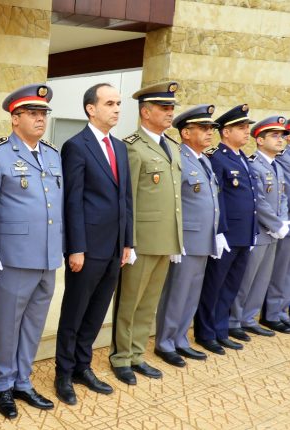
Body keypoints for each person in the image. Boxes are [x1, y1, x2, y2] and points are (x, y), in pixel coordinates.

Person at [0, 83, 61, 418]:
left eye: (43, 113)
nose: (40, 119)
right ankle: (4, 384)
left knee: (34, 324)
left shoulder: (53, 155)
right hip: (12, 258)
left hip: (47, 257)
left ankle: (23, 381)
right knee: (9, 324)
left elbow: (56, 206)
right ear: (15, 118)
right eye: (32, 113)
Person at [55, 83, 132, 405]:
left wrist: (127, 242)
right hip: (87, 248)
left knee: (97, 312)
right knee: (74, 313)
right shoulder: (76, 146)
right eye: (110, 103)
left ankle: (82, 367)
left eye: (118, 103)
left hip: (114, 247)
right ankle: (63, 373)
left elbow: (126, 198)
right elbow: (72, 201)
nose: (117, 109)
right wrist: (75, 248)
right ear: (91, 108)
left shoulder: (120, 147)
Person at [110, 81, 182, 385]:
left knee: (148, 303)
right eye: (164, 108)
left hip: (165, 240)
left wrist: (177, 240)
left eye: (171, 108)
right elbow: (128, 200)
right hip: (141, 241)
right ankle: (121, 357)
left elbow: (175, 199)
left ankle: (137, 355)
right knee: (129, 302)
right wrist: (130, 241)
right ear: (145, 112)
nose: (169, 113)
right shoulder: (132, 147)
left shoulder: (172, 147)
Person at [154, 105, 224, 368]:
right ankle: (165, 342)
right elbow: (171, 203)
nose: (209, 133)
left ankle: (181, 338)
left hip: (203, 239)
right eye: (203, 128)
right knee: (177, 292)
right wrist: (174, 238)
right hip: (185, 239)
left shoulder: (204, 159)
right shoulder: (178, 158)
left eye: (211, 129)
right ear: (185, 133)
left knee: (192, 292)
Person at [195, 104, 259, 354]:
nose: (246, 132)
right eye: (241, 127)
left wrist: (253, 231)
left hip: (244, 234)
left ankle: (221, 330)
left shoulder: (243, 157)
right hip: (227, 234)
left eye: (246, 127)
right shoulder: (217, 158)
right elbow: (218, 198)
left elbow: (251, 198)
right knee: (214, 285)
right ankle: (206, 333)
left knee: (231, 286)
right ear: (226, 132)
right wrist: (219, 231)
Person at [229, 117, 290, 336]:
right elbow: (259, 201)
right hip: (259, 230)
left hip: (274, 231)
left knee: (262, 278)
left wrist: (283, 221)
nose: (280, 140)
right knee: (247, 278)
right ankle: (234, 320)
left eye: (281, 136)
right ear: (260, 140)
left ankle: (249, 317)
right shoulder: (254, 164)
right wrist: (275, 223)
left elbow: (282, 197)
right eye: (274, 136)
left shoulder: (276, 166)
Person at [265, 124, 290, 330]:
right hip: (285, 222)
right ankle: (273, 312)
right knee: (280, 271)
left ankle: (282, 310)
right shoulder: (283, 159)